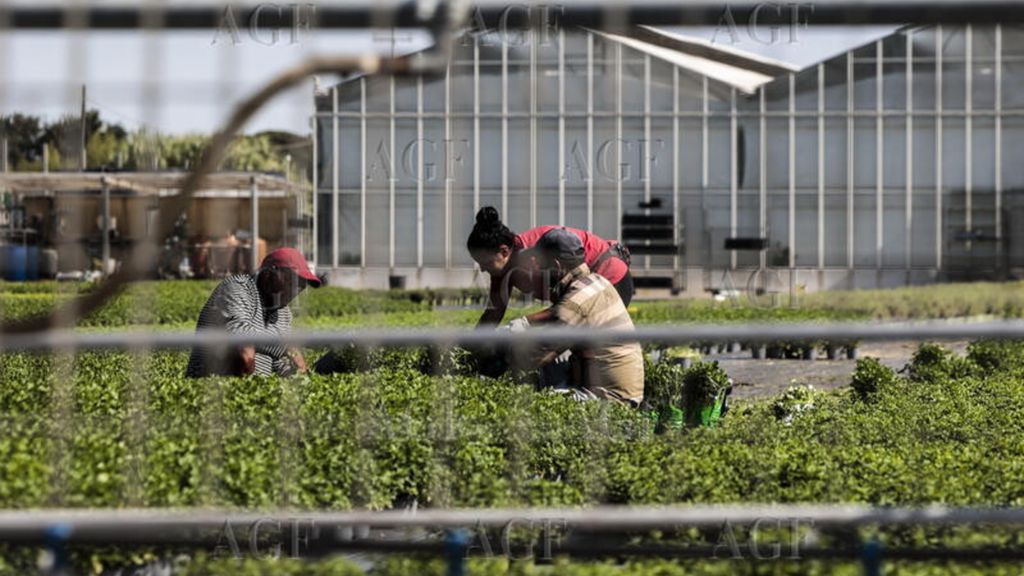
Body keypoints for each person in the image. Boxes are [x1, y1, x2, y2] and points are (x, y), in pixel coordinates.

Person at [508, 228, 644, 406]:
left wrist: (500, 359)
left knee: (535, 404)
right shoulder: (597, 281)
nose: (539, 270)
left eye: (542, 265)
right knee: (557, 361)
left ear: (556, 266)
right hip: (626, 391)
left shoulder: (576, 302)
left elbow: (539, 354)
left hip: (612, 399)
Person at [467, 207, 632, 329]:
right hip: (581, 294)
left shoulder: (539, 251)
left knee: (587, 344)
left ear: (503, 251)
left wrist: (523, 324)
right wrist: (470, 348)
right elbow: (493, 313)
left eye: (485, 263)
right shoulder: (501, 270)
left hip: (610, 276)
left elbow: (566, 310)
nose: (482, 269)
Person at [185, 247, 321, 378]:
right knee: (244, 351)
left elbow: (280, 361)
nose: (296, 291)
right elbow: (242, 339)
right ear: (269, 274)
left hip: (257, 390)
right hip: (210, 381)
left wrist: (298, 374)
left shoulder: (283, 313)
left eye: (302, 285)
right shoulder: (237, 287)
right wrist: (287, 347)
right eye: (292, 281)